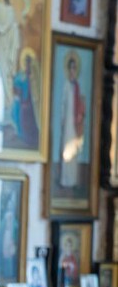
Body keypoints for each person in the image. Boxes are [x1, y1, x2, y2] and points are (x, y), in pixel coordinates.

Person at [59, 51, 86, 189]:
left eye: (74, 68)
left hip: (75, 123)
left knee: (73, 151)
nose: (72, 71)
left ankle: (73, 180)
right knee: (66, 151)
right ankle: (65, 180)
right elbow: (63, 104)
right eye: (71, 68)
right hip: (68, 122)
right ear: (68, 69)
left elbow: (80, 104)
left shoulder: (77, 86)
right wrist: (63, 120)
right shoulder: (66, 86)